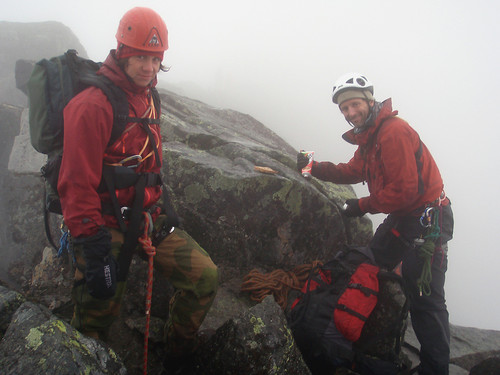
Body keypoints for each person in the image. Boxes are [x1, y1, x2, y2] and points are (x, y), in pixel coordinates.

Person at [57, 6, 218, 366]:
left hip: (146, 216)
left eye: (155, 58)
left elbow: (150, 163)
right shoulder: (92, 105)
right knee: (98, 315)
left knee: (204, 277)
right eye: (141, 57)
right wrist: (93, 246)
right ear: (122, 51)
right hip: (103, 224)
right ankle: (84, 358)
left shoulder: (149, 96)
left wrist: (162, 204)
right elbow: (75, 184)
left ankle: (177, 352)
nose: (149, 67)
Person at [297, 73, 453, 375]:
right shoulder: (369, 137)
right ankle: (356, 333)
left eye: (354, 104)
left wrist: (361, 205)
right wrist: (311, 168)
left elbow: (405, 189)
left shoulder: (392, 132)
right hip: (403, 218)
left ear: (369, 100)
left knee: (425, 297)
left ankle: (436, 370)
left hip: (428, 220)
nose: (350, 113)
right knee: (369, 261)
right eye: (344, 109)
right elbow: (352, 170)